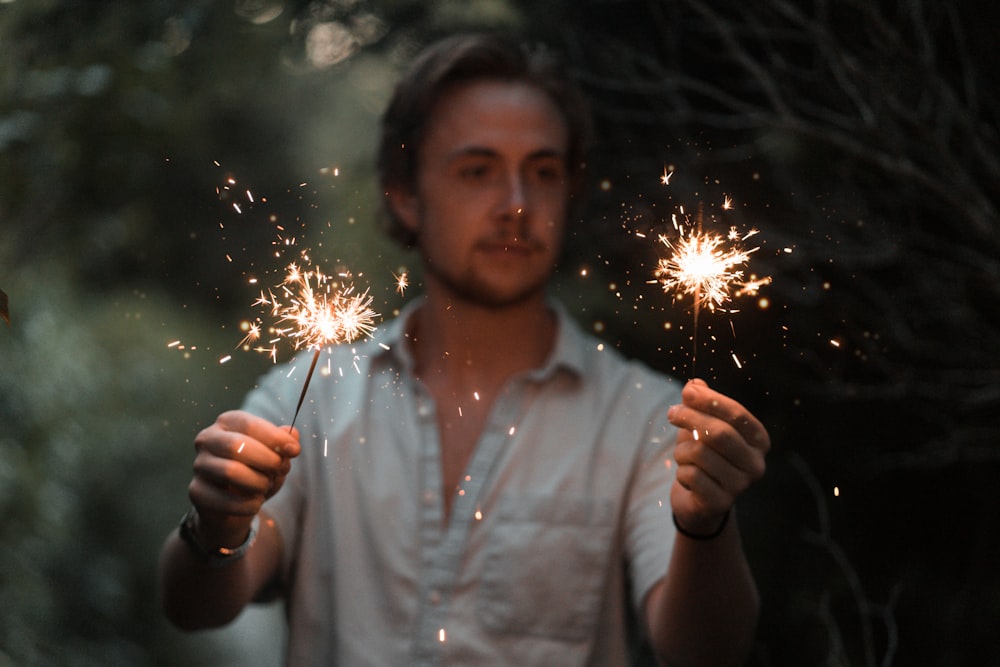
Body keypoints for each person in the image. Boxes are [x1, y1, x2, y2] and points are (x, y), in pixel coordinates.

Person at [159, 32, 770, 666]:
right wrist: (217, 528)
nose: (516, 205)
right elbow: (194, 606)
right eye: (477, 170)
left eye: (543, 172)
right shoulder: (309, 398)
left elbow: (703, 654)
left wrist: (706, 525)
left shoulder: (650, 419)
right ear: (405, 191)